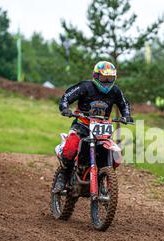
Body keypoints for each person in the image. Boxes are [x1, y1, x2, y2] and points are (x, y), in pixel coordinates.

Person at [54, 61, 133, 193]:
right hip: (82, 125)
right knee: (70, 149)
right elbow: (67, 96)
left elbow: (124, 104)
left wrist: (126, 115)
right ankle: (63, 175)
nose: (107, 81)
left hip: (102, 128)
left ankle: (105, 179)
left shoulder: (115, 91)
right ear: (96, 76)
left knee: (116, 155)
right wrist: (65, 108)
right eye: (104, 78)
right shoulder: (85, 86)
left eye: (110, 78)